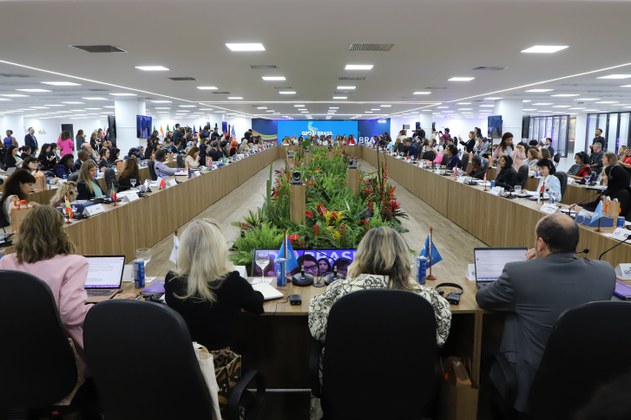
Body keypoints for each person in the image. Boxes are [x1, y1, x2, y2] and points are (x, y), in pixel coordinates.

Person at [476, 213, 615, 414]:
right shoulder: (606, 273)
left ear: (540, 244)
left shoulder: (519, 273)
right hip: (586, 388)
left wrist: (528, 265)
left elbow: (484, 298)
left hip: (532, 389)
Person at [308, 226, 451, 346]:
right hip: (408, 376)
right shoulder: (424, 296)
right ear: (403, 258)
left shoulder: (340, 291)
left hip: (349, 375)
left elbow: (318, 332)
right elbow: (439, 339)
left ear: (362, 255)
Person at [0, 205, 91, 392]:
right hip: (63, 359)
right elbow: (70, 316)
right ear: (60, 232)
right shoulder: (74, 263)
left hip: (13, 357)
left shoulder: (6, 261)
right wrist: (98, 308)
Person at [164, 218, 264, 350]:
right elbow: (256, 305)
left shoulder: (172, 281)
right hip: (221, 365)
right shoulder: (232, 282)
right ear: (218, 250)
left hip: (184, 364)